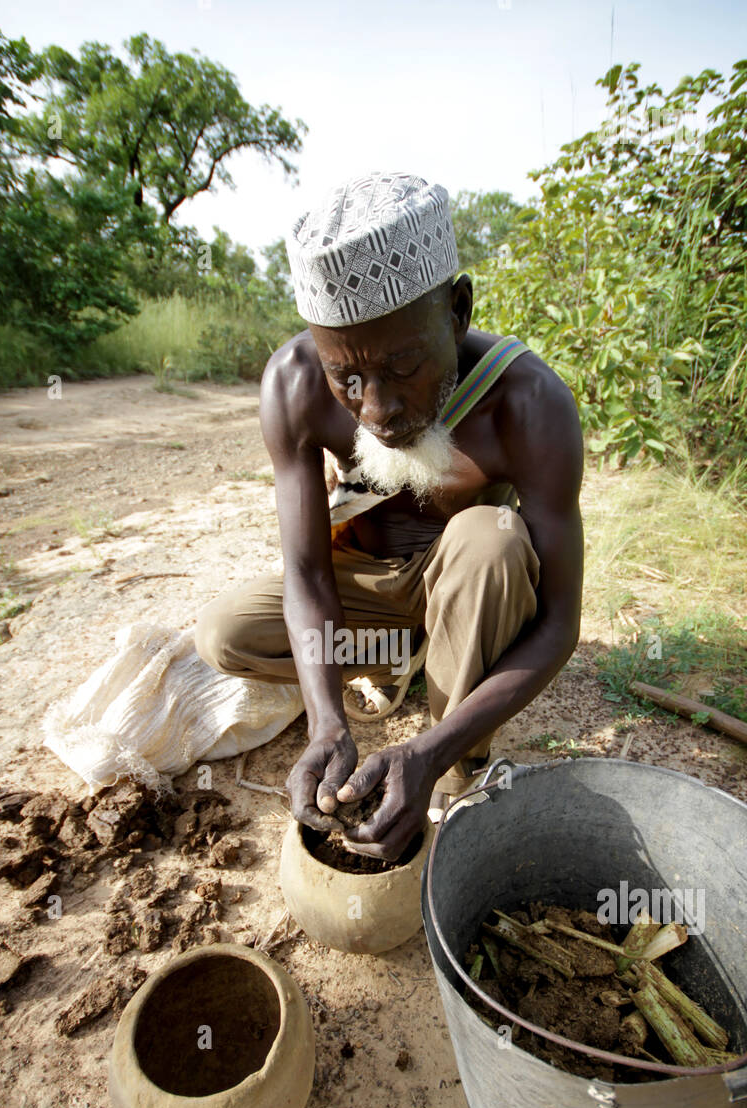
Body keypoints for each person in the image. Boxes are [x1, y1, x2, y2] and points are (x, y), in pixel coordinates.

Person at [195, 171, 583, 860]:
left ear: (457, 312)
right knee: (225, 634)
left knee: (490, 540)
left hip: (464, 588)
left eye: (403, 365)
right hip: (362, 585)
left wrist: (428, 753)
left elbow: (558, 623)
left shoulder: (529, 405)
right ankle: (396, 659)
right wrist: (325, 725)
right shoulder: (291, 384)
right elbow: (309, 572)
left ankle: (460, 758)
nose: (376, 409)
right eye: (347, 376)